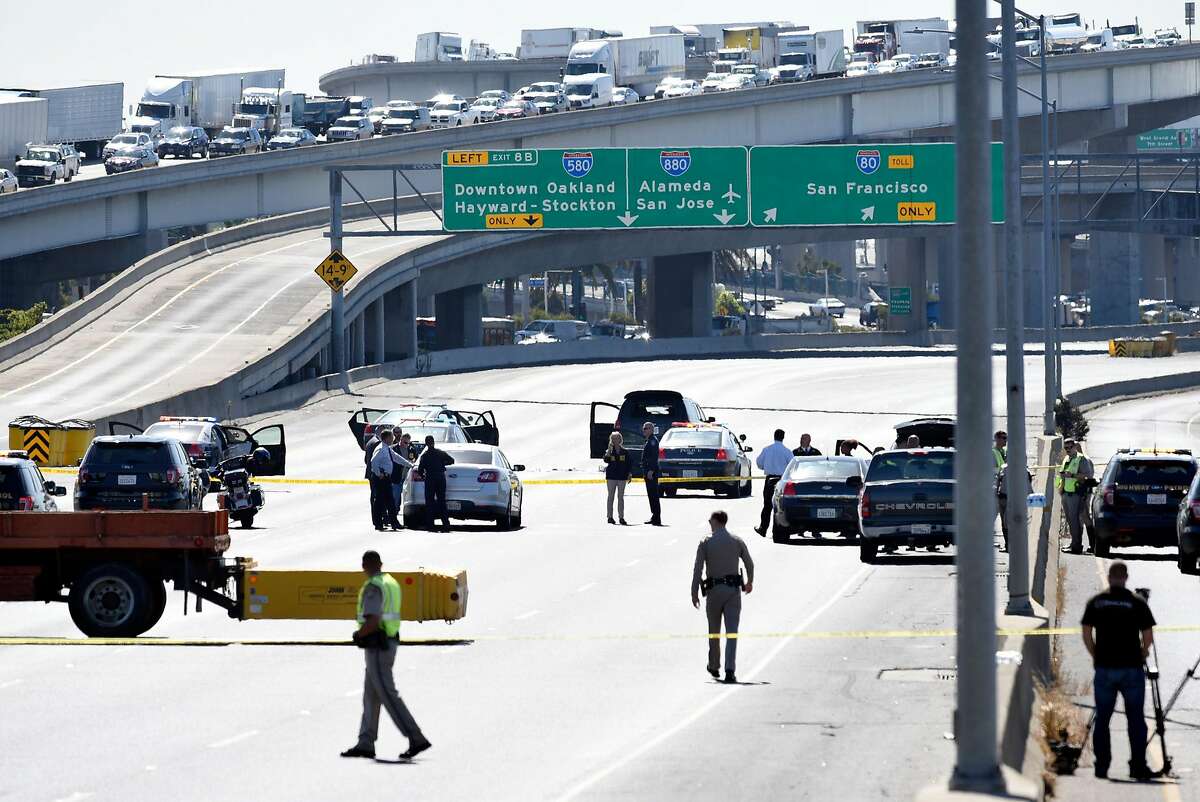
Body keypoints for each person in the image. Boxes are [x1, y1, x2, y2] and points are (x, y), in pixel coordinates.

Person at [341, 550, 432, 762]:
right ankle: (366, 742)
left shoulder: (373, 586)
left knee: (388, 694)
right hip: (389, 641)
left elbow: (372, 619)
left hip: (378, 646)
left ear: (364, 565)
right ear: (380, 563)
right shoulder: (390, 582)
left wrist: (358, 635)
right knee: (371, 695)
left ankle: (416, 737)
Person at [1081, 562, 1155, 781]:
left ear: (1110, 577)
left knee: (1102, 719)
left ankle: (1102, 766)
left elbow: (1086, 633)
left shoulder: (1096, 602)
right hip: (1131, 668)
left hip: (1105, 668)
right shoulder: (1137, 602)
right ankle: (1138, 766)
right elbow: (1148, 636)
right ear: (1126, 577)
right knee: (1136, 719)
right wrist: (1142, 654)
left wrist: (1095, 655)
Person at [691, 510, 754, 684]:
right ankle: (730, 669)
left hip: (714, 592)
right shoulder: (736, 541)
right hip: (733, 592)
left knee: (714, 631)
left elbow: (698, 568)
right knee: (732, 632)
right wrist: (749, 582)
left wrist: (694, 591)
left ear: (716, 521)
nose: (708, 521)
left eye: (710, 519)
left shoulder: (706, 542)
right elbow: (749, 563)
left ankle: (714, 664)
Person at [1058, 438, 1095, 554]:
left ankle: (1077, 546)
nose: (1068, 450)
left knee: (1076, 520)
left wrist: (1072, 475)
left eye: (1070, 447)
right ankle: (1075, 544)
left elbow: (1088, 476)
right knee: (1070, 520)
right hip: (1066, 493)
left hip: (1076, 493)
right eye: (1066, 448)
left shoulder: (1082, 459)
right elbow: (1062, 474)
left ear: (1075, 447)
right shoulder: (1067, 459)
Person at [754, 429, 794, 537]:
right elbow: (792, 467)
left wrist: (766, 466)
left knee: (767, 506)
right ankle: (777, 529)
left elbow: (759, 463)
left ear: (774, 436)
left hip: (770, 479)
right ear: (783, 437)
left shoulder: (767, 449)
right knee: (780, 506)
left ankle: (763, 528)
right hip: (781, 481)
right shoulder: (787, 451)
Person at [369, 430, 411, 531]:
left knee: (390, 501)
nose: (393, 438)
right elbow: (373, 461)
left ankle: (394, 523)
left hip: (387, 478)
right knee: (379, 502)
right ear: (387, 438)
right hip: (381, 479)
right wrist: (379, 474)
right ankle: (378, 524)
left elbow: (396, 458)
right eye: (391, 437)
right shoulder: (381, 449)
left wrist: (410, 465)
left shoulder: (387, 448)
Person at [417, 436, 455, 531]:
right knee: (441, 501)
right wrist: (442, 464)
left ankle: (430, 525)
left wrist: (423, 476)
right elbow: (451, 460)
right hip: (440, 477)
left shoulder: (424, 455)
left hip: (430, 478)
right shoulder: (440, 453)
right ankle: (446, 524)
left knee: (430, 502)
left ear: (426, 443)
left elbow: (420, 470)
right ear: (434, 442)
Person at [603, 431, 631, 525]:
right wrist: (609, 452)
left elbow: (628, 464)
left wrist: (629, 474)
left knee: (620, 497)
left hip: (622, 477)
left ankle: (621, 517)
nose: (615, 440)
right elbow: (606, 460)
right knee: (611, 496)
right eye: (613, 438)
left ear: (620, 439)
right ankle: (610, 516)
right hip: (611, 476)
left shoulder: (625, 451)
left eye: (617, 438)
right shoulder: (609, 451)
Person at [641, 422, 663, 526]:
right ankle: (654, 516)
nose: (644, 430)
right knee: (651, 495)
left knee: (654, 495)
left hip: (651, 472)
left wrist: (651, 470)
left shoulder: (653, 441)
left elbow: (654, 457)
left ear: (651, 430)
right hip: (648, 471)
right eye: (644, 428)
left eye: (646, 428)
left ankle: (657, 518)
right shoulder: (649, 440)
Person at [392, 432, 417, 509]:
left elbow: (416, 459)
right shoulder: (393, 449)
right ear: (401, 440)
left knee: (409, 497)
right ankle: (394, 511)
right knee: (396, 495)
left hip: (407, 477)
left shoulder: (411, 450)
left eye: (407, 443)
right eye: (404, 442)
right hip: (397, 476)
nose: (405, 444)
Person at [993, 430, 1008, 550]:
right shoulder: (993, 453)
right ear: (997, 439)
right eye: (1003, 438)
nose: (1005, 440)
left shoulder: (1004, 452)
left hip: (1002, 488)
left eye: (1006, 438)